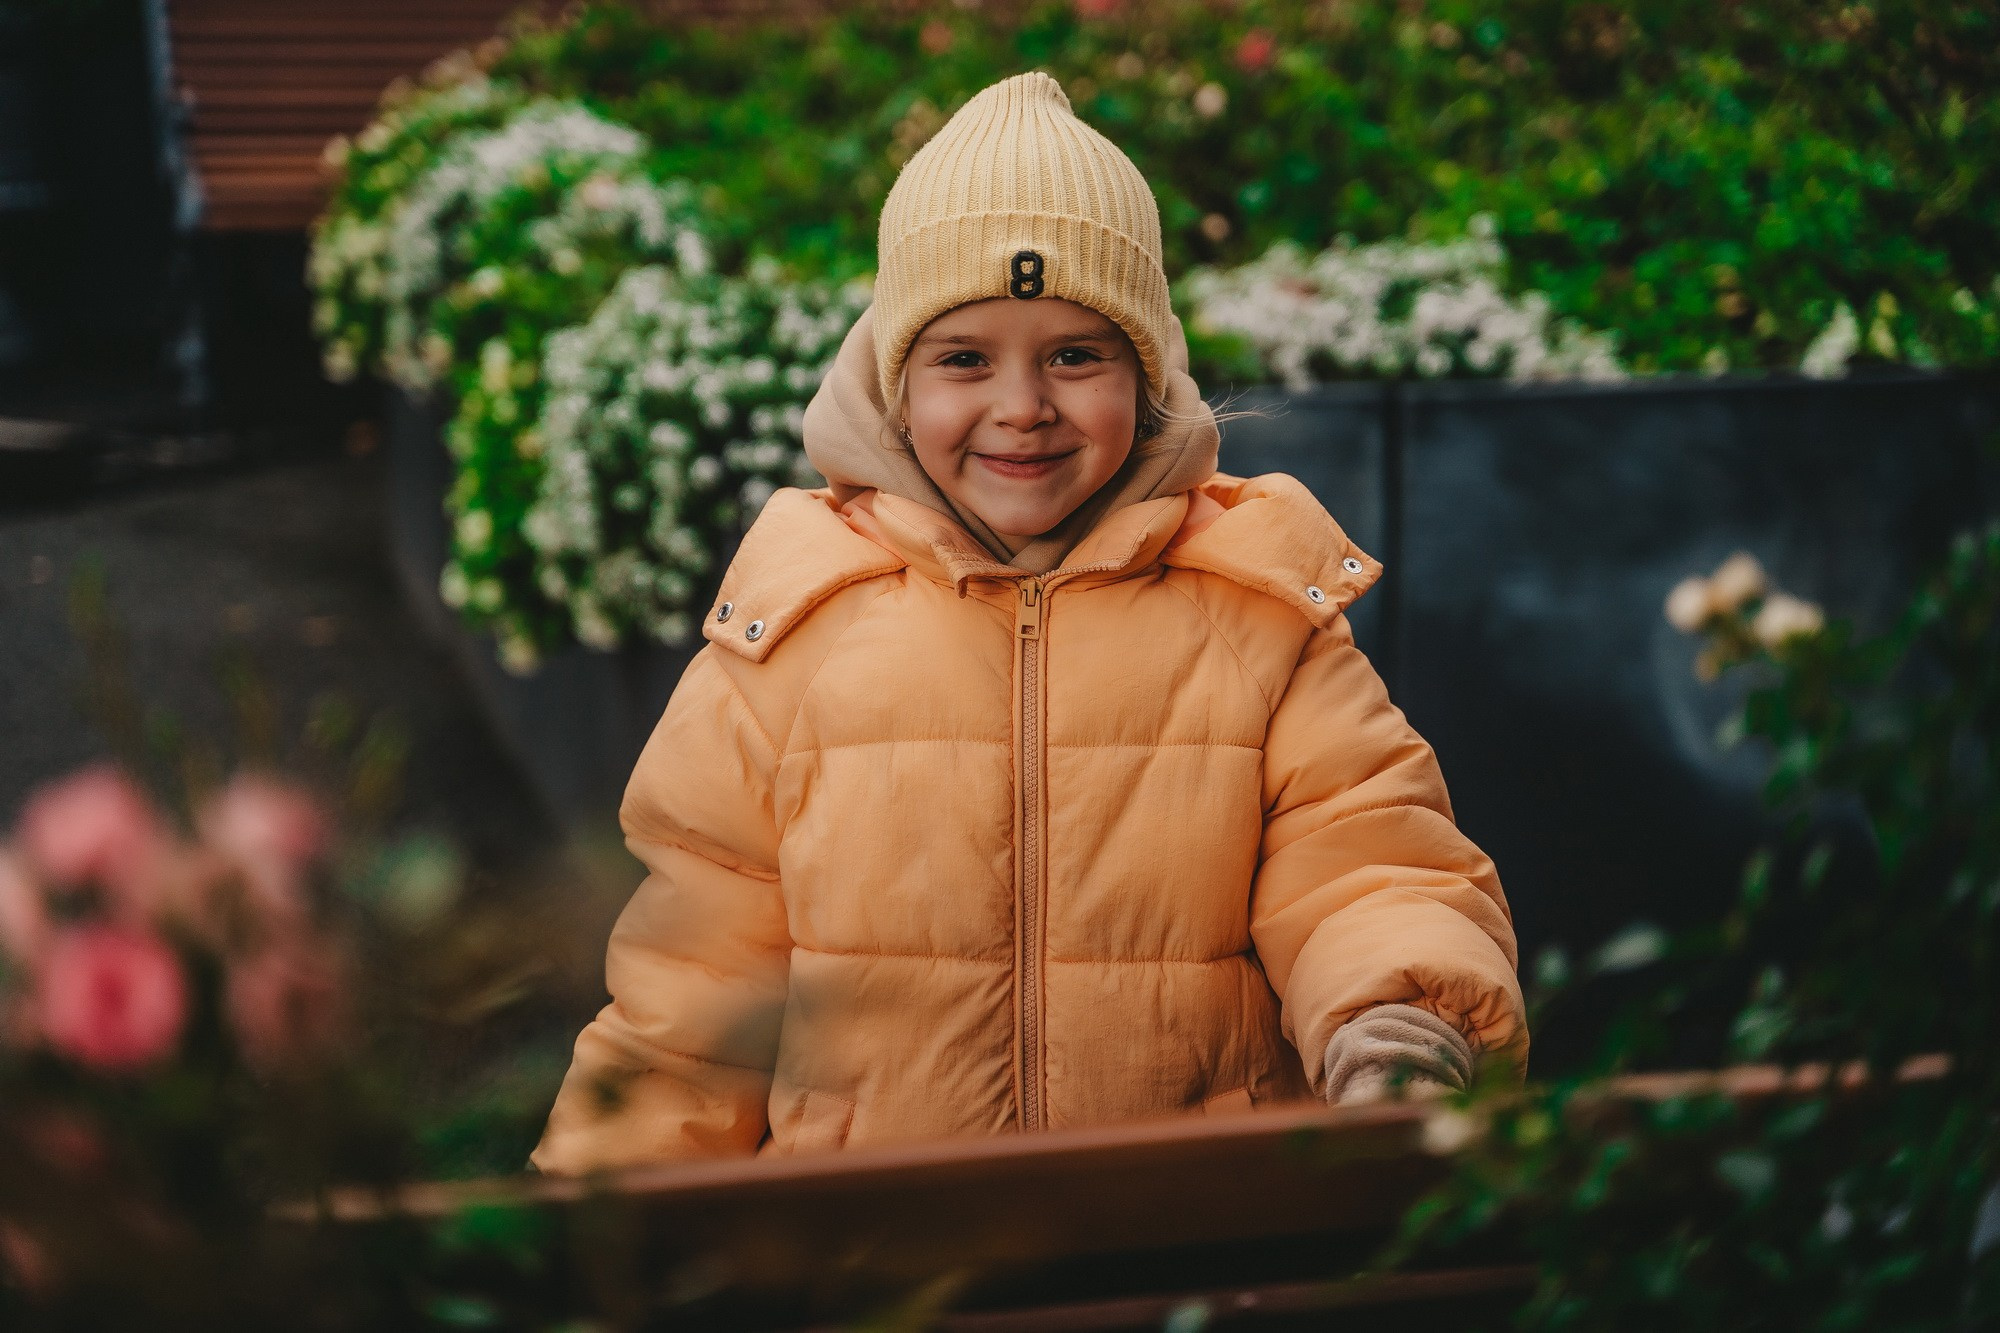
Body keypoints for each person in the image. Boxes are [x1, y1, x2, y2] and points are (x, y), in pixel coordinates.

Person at [531, 72, 1525, 1172]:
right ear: (893, 382)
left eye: (1073, 354)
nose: (1021, 407)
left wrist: (1391, 1020)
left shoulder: (1256, 621)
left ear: (1143, 376)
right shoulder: (792, 638)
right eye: (964, 358)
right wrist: (603, 1204)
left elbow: (1363, 867)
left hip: (1196, 1227)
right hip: (883, 1254)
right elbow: (695, 990)